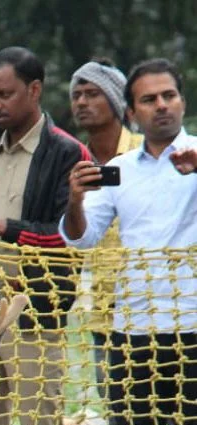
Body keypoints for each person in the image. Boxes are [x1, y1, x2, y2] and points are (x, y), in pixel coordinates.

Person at [61, 58, 197, 425]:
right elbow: (83, 235)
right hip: (133, 329)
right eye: (149, 99)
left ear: (181, 101)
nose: (161, 106)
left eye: (169, 96)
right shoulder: (121, 171)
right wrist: (75, 199)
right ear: (132, 112)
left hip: (193, 328)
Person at [0, 46, 89, 425]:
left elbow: (69, 239)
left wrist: (4, 227)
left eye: (4, 94)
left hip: (33, 315)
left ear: (35, 90)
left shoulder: (68, 153)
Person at [69, 59, 143, 406]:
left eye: (92, 94)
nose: (82, 102)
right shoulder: (72, 160)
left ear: (116, 101)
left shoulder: (148, 153)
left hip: (164, 307)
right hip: (105, 315)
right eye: (77, 95)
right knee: (121, 420)